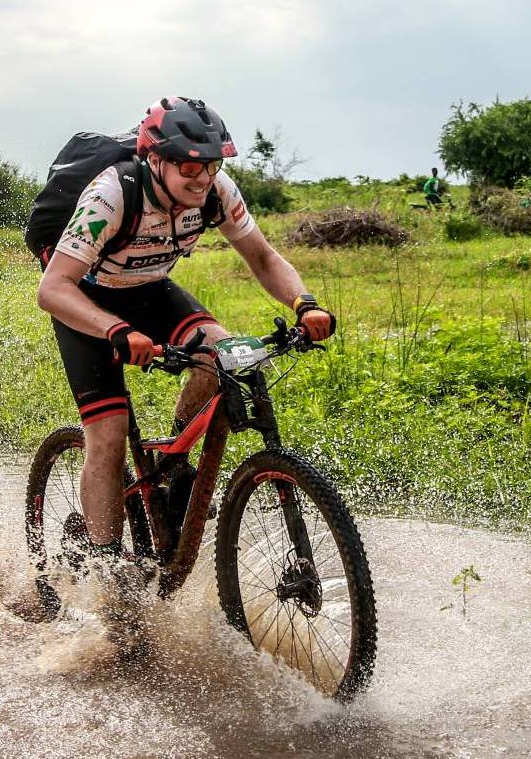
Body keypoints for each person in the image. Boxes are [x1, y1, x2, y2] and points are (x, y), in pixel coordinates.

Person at [36, 97, 337, 568]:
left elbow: (262, 257)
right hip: (88, 303)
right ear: (154, 160)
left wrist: (305, 303)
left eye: (211, 165)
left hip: (151, 289)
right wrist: (115, 330)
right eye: (187, 167)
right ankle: (107, 567)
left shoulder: (218, 191)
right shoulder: (111, 194)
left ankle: (175, 468)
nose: (201, 178)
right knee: (109, 437)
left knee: (227, 353)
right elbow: (53, 289)